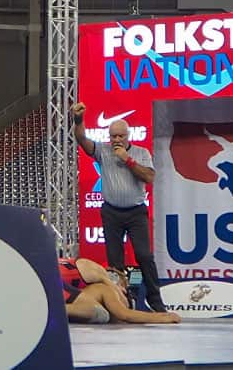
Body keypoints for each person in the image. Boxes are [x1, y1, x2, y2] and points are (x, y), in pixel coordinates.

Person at [71, 102, 166, 312]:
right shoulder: (103, 151)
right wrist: (78, 121)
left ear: (128, 136)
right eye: (113, 136)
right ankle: (123, 301)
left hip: (136, 212)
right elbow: (82, 139)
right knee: (115, 262)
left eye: (120, 136)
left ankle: (155, 299)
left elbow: (150, 177)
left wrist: (128, 160)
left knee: (144, 255)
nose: (116, 140)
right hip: (112, 211)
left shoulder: (140, 153)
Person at [60, 257, 180, 324]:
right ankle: (52, 309)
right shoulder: (104, 289)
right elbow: (125, 314)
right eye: (127, 303)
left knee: (99, 313)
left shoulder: (90, 287)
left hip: (52, 276)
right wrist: (162, 317)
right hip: (54, 278)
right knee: (100, 314)